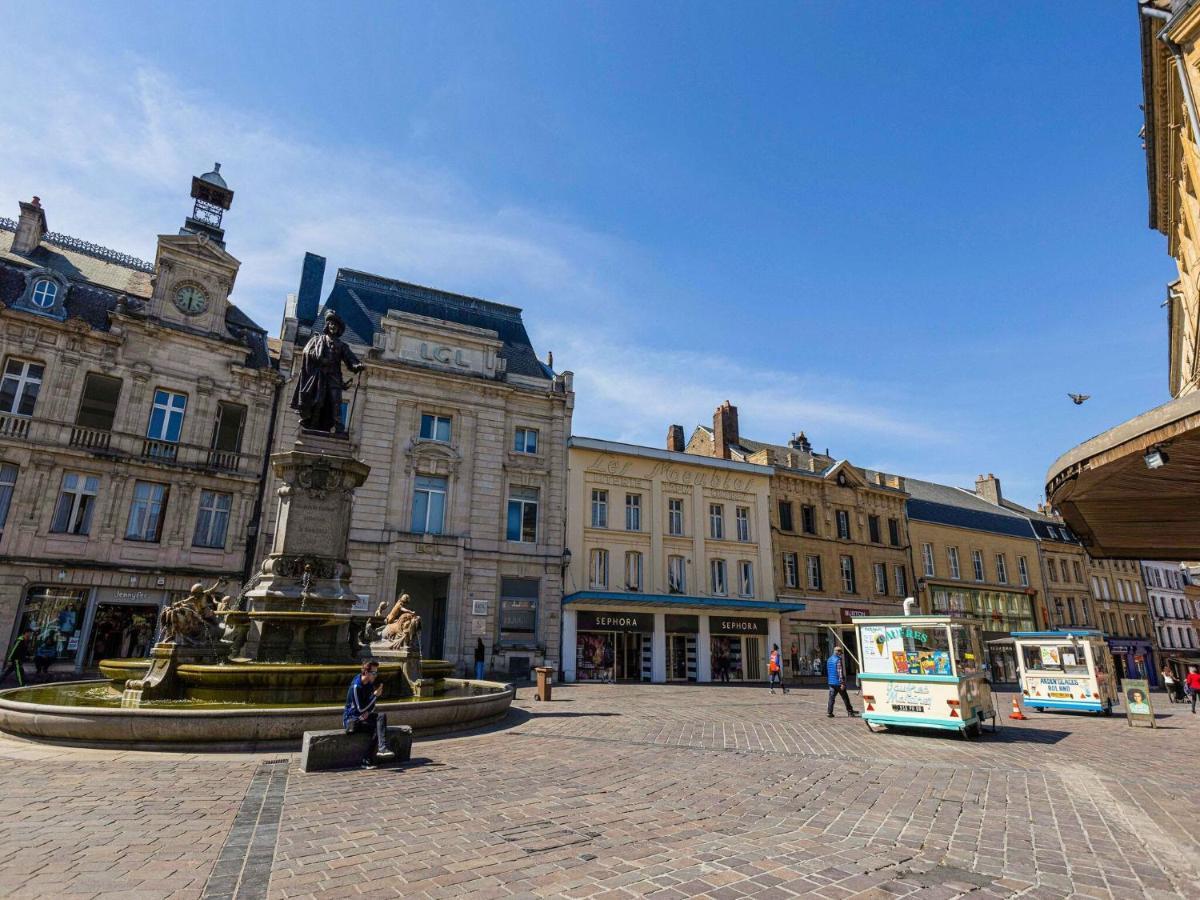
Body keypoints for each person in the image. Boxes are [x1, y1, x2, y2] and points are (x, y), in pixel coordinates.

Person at [343, 659, 395, 768]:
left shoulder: (369, 684)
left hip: (362, 718)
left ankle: (381, 749)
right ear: (366, 673)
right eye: (374, 673)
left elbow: (371, 707)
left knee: (381, 717)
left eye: (377, 673)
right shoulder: (356, 687)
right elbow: (360, 709)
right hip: (352, 721)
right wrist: (375, 696)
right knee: (378, 727)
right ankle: (366, 759)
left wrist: (369, 710)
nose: (375, 675)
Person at [826, 646, 858, 718]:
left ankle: (829, 712)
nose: (841, 654)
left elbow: (829, 671)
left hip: (831, 682)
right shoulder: (838, 660)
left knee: (831, 698)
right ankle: (850, 712)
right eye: (840, 653)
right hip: (838, 683)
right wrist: (842, 683)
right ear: (838, 652)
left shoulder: (829, 659)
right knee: (845, 697)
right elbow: (839, 672)